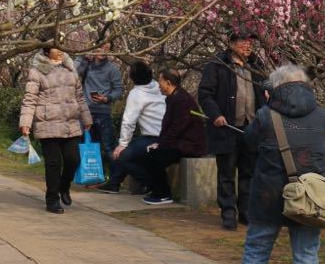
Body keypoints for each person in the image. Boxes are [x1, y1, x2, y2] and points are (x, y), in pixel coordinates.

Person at [233, 64, 325, 264]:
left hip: (269, 195)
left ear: (275, 89)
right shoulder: (323, 116)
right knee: (307, 255)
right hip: (311, 196)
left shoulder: (266, 116)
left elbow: (249, 144)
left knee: (256, 252)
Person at [197, 25, 266, 229]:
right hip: (226, 128)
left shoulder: (256, 65)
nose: (247, 45)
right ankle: (228, 212)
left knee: (249, 173)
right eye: (242, 41)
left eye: (250, 42)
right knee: (226, 173)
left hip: (251, 128)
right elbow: (205, 94)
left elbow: (263, 92)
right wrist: (216, 114)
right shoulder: (217, 65)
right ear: (231, 43)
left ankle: (245, 211)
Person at [19, 43, 93, 214]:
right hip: (47, 123)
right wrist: (25, 123)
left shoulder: (70, 69)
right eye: (55, 48)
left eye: (61, 47)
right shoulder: (36, 72)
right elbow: (30, 99)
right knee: (53, 163)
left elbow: (80, 97)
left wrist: (86, 117)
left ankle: (64, 186)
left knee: (73, 159)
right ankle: (52, 199)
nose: (60, 51)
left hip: (70, 122)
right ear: (46, 51)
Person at [94, 62, 165, 194]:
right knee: (131, 148)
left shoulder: (136, 94)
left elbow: (129, 121)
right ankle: (114, 183)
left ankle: (149, 183)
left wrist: (122, 144)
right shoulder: (158, 86)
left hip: (154, 137)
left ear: (133, 79)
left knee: (123, 155)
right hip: (165, 134)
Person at [140, 67, 206, 205]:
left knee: (154, 156)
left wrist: (161, 144)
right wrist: (160, 142)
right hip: (181, 141)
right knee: (149, 152)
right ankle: (156, 189)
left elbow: (177, 127)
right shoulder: (174, 97)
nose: (158, 84)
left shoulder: (181, 100)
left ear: (168, 83)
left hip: (189, 144)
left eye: (160, 81)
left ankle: (163, 194)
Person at [75, 40, 124, 167]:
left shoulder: (112, 69)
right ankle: (87, 175)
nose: (103, 51)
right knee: (86, 144)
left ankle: (114, 181)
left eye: (107, 49)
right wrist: (83, 56)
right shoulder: (87, 65)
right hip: (86, 112)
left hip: (103, 113)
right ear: (95, 48)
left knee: (108, 146)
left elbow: (119, 90)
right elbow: (73, 72)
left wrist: (107, 98)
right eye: (101, 47)